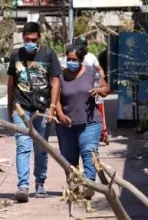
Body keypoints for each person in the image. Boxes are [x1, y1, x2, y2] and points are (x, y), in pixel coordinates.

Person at [7, 21, 61, 203]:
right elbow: (11, 84)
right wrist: (9, 109)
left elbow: (55, 83)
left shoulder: (48, 54)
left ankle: (40, 183)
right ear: (22, 39)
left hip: (43, 109)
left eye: (33, 39)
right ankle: (23, 186)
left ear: (39, 38)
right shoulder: (16, 55)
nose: (30, 42)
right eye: (26, 39)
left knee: (41, 148)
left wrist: (52, 108)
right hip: (20, 109)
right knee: (23, 146)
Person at [56, 44, 110, 200]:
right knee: (69, 158)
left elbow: (106, 89)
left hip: (90, 122)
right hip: (66, 125)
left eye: (74, 59)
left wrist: (99, 90)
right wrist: (60, 115)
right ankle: (74, 186)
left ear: (81, 60)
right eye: (68, 59)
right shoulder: (60, 76)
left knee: (88, 152)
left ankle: (89, 185)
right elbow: (56, 99)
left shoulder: (91, 73)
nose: (71, 62)